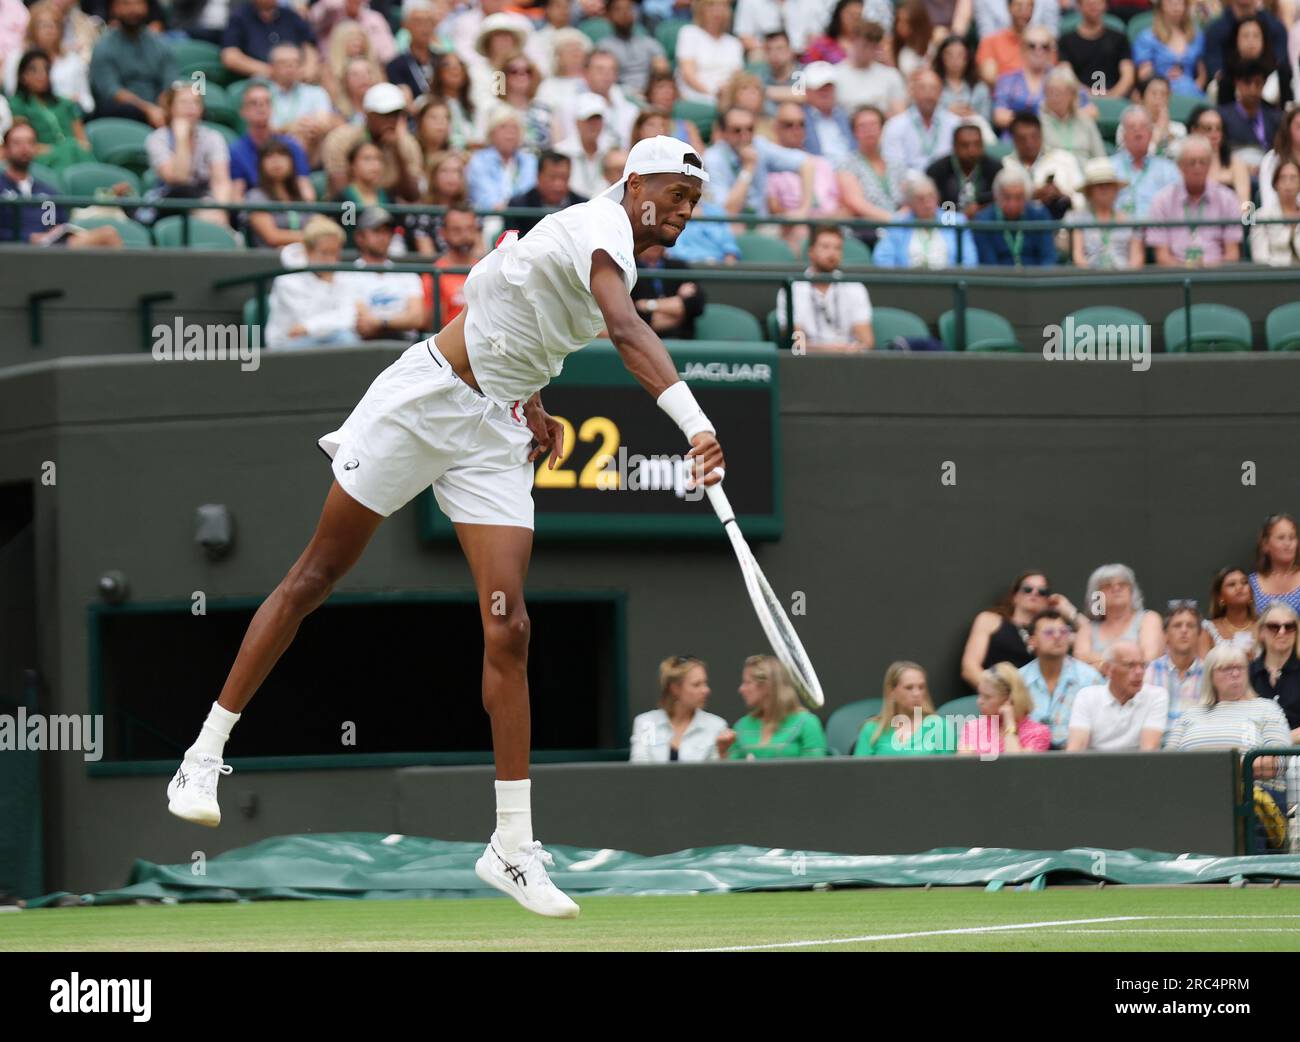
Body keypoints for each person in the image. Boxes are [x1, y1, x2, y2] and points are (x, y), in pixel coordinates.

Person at [165, 136, 723, 920]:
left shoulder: (604, 254)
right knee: (314, 578)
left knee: (511, 628)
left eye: (695, 201)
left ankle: (511, 847)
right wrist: (695, 424)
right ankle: (202, 756)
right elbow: (628, 335)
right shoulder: (594, 233)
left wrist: (533, 404)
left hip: (496, 435)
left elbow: (515, 306)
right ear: (633, 185)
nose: (684, 211)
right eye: (674, 193)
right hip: (425, 403)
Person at [1167, 646, 1292, 815]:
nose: (1235, 674)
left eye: (1240, 667)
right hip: (1191, 801)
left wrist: (1213, 771)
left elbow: (1277, 763)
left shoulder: (1266, 708)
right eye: (1226, 668)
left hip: (1252, 802)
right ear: (1211, 676)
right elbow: (1166, 764)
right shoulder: (1190, 714)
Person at [0, 119, 122, 247]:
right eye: (17, 143)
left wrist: (54, 232)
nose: (24, 148)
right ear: (5, 149)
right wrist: (28, 237)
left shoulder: (47, 192)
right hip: (12, 252)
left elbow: (54, 224)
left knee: (108, 235)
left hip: (51, 251)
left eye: (30, 142)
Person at [962, 570, 1072, 690]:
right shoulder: (990, 620)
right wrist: (999, 694)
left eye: (1042, 591)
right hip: (996, 696)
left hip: (1036, 700)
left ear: (1047, 601)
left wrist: (1071, 612)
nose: (1034, 593)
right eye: (1027, 589)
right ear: (1015, 596)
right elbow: (969, 668)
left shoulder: (1054, 632)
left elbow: (1085, 642)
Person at [1146, 134, 1243, 266]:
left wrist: (1208, 271)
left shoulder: (1227, 199)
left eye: (1202, 162)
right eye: (1191, 163)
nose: (1197, 168)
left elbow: (1232, 255)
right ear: (1180, 166)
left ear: (1210, 165)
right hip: (1176, 277)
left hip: (1217, 276)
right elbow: (1162, 257)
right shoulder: (1162, 200)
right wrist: (1187, 271)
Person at [775, 224, 874, 352]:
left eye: (837, 248)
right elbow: (796, 343)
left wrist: (853, 349)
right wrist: (832, 350)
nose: (832, 253)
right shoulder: (793, 289)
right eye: (825, 247)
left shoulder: (855, 287)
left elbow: (866, 341)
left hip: (849, 363)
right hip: (806, 363)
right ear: (811, 251)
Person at [704, 105, 816, 218]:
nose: (745, 135)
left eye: (750, 129)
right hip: (729, 227)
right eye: (737, 130)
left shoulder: (759, 145)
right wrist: (748, 169)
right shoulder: (712, 158)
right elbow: (727, 211)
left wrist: (804, 209)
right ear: (723, 133)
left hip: (762, 224)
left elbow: (806, 163)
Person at [145, 84, 233, 227]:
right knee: (183, 191)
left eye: (196, 102)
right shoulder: (157, 139)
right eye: (184, 102)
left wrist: (220, 211)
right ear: (171, 108)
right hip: (169, 203)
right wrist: (181, 138)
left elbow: (221, 181)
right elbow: (179, 178)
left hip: (208, 202)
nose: (190, 107)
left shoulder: (213, 137)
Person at [264, 216, 357, 347]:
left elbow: (348, 318)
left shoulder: (342, 275)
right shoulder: (286, 281)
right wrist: (327, 285)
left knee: (348, 339)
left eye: (335, 254)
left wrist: (308, 327)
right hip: (286, 345)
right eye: (324, 253)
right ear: (307, 251)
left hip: (332, 338)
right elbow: (302, 323)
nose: (331, 261)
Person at [322, 82, 423, 201]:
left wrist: (397, 150)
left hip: (390, 212)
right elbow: (340, 195)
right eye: (384, 114)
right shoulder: (340, 139)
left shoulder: (408, 145)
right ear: (368, 115)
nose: (391, 120)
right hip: (348, 214)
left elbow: (412, 195)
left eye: (396, 114)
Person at [337, 206, 427, 338]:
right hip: (366, 345)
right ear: (359, 237)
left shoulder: (407, 274)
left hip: (405, 345)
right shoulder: (347, 275)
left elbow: (417, 318)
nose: (383, 237)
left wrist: (380, 322)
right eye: (376, 231)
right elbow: (362, 322)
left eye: (387, 232)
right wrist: (399, 321)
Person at [1019, 607, 1103, 749]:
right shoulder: (1018, 679)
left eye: (1064, 631)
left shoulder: (1090, 678)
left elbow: (1103, 727)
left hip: (1077, 760)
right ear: (1032, 641)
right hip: (1027, 760)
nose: (1058, 636)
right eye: (1049, 632)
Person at [716, 655, 826, 759]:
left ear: (767, 685)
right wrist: (723, 752)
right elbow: (729, 775)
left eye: (747, 683)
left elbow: (816, 773)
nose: (741, 689)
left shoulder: (807, 724)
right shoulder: (741, 726)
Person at [1066, 641, 1169, 751]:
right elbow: (1075, 750)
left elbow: (1149, 750)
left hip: (1140, 766)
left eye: (1143, 665)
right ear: (1108, 669)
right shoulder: (1087, 697)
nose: (1139, 672)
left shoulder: (1156, 696)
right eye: (1130, 665)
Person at [88, 0, 176, 125]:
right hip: (122, 112)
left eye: (138, 3)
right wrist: (148, 109)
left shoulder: (161, 44)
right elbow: (111, 91)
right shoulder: (103, 47)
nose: (133, 9)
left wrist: (164, 107)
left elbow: (170, 82)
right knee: (124, 110)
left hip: (159, 108)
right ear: (114, 8)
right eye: (126, 4)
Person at [7, 49, 93, 171]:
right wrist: (60, 149)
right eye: (34, 70)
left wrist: (74, 147)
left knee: (77, 151)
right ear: (23, 76)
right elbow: (25, 142)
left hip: (74, 152)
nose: (42, 75)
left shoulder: (64, 102)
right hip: (44, 156)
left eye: (46, 70)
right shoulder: (18, 104)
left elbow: (82, 140)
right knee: (68, 152)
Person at [630, 656, 729, 761]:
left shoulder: (716, 726)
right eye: (697, 685)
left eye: (705, 683)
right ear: (675, 689)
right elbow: (639, 769)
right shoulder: (647, 724)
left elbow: (717, 774)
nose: (706, 690)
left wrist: (722, 752)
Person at [1073, 564, 1167, 671]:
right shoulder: (1088, 628)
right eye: (1107, 585)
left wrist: (1100, 663)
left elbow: (1148, 660)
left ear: (1132, 591)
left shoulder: (1149, 619)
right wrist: (1128, 660)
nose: (1116, 588)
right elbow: (1079, 666)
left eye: (1122, 584)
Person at [872, 172, 978, 267]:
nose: (928, 203)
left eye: (931, 196)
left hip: (948, 284)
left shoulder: (956, 221)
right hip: (908, 284)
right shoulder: (899, 224)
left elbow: (970, 260)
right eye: (920, 199)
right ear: (910, 203)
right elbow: (882, 259)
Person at [229, 81, 313, 199]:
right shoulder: (236, 150)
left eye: (266, 102)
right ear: (243, 111)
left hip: (292, 205)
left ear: (273, 109)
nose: (261, 107)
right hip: (256, 208)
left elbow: (305, 188)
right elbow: (237, 194)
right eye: (254, 103)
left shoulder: (291, 145)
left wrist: (305, 215)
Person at [4, 2, 93, 113]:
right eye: (43, 25)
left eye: (54, 24)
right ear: (32, 29)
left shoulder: (74, 61)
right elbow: (12, 94)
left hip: (70, 117)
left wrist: (76, 102)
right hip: (31, 116)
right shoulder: (17, 58)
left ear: (61, 29)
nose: (49, 30)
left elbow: (88, 102)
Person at [853, 660, 955, 756]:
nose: (917, 693)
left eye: (921, 687)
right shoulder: (871, 730)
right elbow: (857, 772)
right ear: (892, 692)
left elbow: (949, 771)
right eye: (909, 688)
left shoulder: (941, 727)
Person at [837, 104, 906, 237]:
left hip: (899, 228)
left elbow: (908, 197)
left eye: (873, 125)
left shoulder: (896, 163)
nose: (869, 130)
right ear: (854, 132)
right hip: (865, 231)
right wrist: (893, 220)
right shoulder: (846, 164)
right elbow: (855, 202)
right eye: (863, 126)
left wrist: (903, 217)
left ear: (882, 128)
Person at [267, 44, 339, 168]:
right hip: (271, 148)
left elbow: (324, 121)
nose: (290, 67)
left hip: (312, 145)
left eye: (295, 62)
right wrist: (289, 128)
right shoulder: (262, 93)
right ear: (272, 67)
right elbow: (263, 129)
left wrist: (307, 126)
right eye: (284, 63)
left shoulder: (316, 92)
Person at [958, 662, 1052, 756]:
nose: (979, 701)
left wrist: (1009, 724)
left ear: (1009, 699)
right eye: (980, 695)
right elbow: (963, 766)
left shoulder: (1038, 733)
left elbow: (1016, 765)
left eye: (987, 697)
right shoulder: (973, 727)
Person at [1001, 110, 1082, 219]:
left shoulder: (1064, 159)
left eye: (1034, 136)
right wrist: (1031, 196)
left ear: (1041, 135)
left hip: (1063, 227)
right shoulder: (1005, 166)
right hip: (1020, 229)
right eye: (1022, 138)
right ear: (1014, 140)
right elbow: (1000, 205)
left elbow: (1083, 200)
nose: (1029, 142)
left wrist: (1062, 195)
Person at [1067, 157, 1144, 268]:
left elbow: (1137, 259)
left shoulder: (1131, 221)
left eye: (1108, 185)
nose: (1104, 189)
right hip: (1090, 278)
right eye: (1099, 185)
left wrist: (1126, 279)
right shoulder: (1078, 220)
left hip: (1124, 278)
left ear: (1116, 190)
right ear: (1089, 191)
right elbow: (1078, 257)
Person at [971, 166, 1056, 266]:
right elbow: (989, 263)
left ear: (1026, 197)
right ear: (997, 197)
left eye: (1019, 198)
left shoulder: (1040, 215)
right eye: (1007, 197)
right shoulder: (983, 221)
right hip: (999, 279)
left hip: (1036, 278)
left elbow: (1048, 258)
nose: (1013, 204)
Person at [882, 68, 961, 172]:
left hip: (946, 182)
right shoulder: (895, 125)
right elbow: (895, 166)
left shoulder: (955, 124)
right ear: (912, 92)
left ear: (941, 92)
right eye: (922, 88)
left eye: (933, 88)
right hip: (909, 184)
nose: (928, 94)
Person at [221, 0, 316, 83]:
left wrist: (309, 67)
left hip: (297, 79)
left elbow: (309, 46)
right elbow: (230, 57)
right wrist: (273, 71)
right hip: (258, 82)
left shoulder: (291, 16)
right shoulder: (239, 17)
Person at [1144, 603, 1206, 730]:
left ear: (1199, 634)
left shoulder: (1210, 673)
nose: (1184, 630)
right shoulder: (1149, 671)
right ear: (1165, 635)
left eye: (1190, 626)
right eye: (1177, 625)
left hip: (1197, 746)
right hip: (1158, 745)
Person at [1111, 106, 1181, 218]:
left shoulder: (1168, 169)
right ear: (1123, 135)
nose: (1138, 132)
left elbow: (1178, 205)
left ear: (1151, 134)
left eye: (1143, 127)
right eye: (1132, 127)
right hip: (1119, 231)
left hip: (1158, 230)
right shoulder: (1110, 167)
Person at [1059, 0, 1134, 99]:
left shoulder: (1119, 38)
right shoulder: (1066, 40)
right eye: (1089, 4)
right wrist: (1087, 95)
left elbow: (1128, 75)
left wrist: (1112, 96)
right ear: (1079, 6)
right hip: (1079, 100)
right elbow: (1066, 74)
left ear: (1105, 5)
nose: (1094, 7)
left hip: (1115, 98)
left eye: (1098, 3)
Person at [1132, 0, 1208, 98]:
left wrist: (1196, 86)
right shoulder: (1147, 37)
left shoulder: (1196, 35)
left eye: (1180, 2)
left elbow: (1202, 72)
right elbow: (1144, 74)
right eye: (1170, 1)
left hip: (1192, 90)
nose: (1176, 5)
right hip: (1159, 92)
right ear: (1161, 5)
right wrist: (1163, 79)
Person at [675, 0, 744, 104]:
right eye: (711, 6)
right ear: (701, 10)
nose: (717, 11)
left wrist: (727, 91)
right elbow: (688, 74)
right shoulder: (689, 33)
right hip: (696, 95)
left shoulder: (734, 42)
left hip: (728, 96)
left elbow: (737, 75)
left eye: (722, 7)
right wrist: (712, 92)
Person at [928, 120, 1001, 218]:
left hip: (985, 224)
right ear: (954, 146)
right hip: (948, 223)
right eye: (965, 145)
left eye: (977, 144)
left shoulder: (995, 169)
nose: (972, 151)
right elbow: (932, 205)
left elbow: (1001, 202)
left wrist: (981, 209)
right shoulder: (937, 171)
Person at [631, 243, 706, 338]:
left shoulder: (679, 267)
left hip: (682, 341)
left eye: (659, 241)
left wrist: (648, 305)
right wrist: (678, 310)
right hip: (642, 341)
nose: (654, 245)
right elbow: (632, 315)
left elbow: (697, 305)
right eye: (650, 240)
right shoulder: (629, 269)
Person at [427, 202, 483, 327]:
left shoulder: (487, 269)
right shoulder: (433, 272)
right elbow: (430, 323)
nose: (464, 235)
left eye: (470, 228)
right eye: (456, 230)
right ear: (443, 233)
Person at [244, 140, 310, 248]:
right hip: (271, 259)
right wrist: (311, 238)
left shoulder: (300, 195)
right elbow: (272, 236)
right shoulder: (255, 196)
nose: (276, 161)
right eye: (269, 156)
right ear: (260, 164)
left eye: (282, 155)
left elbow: (315, 224)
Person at [598, 0, 670, 96]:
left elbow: (663, 72)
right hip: (619, 95)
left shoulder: (649, 43)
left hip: (649, 94)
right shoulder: (604, 47)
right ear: (608, 16)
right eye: (618, 9)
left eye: (628, 9)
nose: (624, 13)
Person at [1250, 602, 1300, 739]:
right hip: (1255, 755)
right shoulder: (1246, 673)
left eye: (1289, 627)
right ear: (1261, 633)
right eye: (1274, 627)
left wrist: (1278, 742)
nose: (1282, 632)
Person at [836, 20, 907, 116]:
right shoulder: (835, 74)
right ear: (853, 41)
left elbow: (899, 114)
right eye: (864, 46)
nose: (868, 51)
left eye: (873, 47)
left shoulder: (891, 75)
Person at [509, 151, 586, 239]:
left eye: (564, 177)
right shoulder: (518, 207)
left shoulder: (582, 205)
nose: (558, 185)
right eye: (552, 177)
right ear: (538, 176)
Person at [1040, 66, 1106, 166]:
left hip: (1086, 176)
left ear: (1072, 94)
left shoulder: (1086, 121)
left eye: (1059, 93)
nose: (1055, 97)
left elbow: (1100, 158)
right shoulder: (1039, 124)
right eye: (1051, 92)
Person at [555, 93, 616, 198]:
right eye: (588, 120)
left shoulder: (611, 151)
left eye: (597, 120)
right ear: (578, 122)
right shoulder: (560, 152)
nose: (593, 125)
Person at [1218, 59, 1281, 158]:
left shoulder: (1276, 117)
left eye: (1258, 83)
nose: (1253, 89)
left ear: (1264, 84)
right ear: (1237, 83)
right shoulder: (1222, 116)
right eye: (1247, 83)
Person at [386, 0, 442, 104]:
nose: (425, 27)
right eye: (418, 22)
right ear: (405, 25)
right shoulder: (395, 66)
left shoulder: (442, 60)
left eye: (429, 22)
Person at [1116, 76, 1187, 159]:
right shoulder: (1128, 127)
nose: (1158, 98)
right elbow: (1136, 161)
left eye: (1163, 94)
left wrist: (1168, 133)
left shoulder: (1179, 129)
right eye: (1153, 93)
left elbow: (1178, 160)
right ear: (1142, 98)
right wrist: (1158, 134)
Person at [1199, 566, 1260, 655]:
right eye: (1232, 584)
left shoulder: (1265, 626)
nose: (1239, 587)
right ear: (1220, 597)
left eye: (1244, 582)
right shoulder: (1208, 629)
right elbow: (1203, 667)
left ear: (1251, 593)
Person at [801, 61, 854, 162]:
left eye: (829, 86)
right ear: (807, 91)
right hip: (817, 171)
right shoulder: (798, 119)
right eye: (819, 87)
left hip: (852, 171)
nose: (825, 91)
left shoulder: (846, 116)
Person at [1250, 512, 1300, 613]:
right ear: (1265, 545)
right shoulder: (1251, 585)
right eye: (1281, 538)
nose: (1288, 544)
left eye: (1292, 538)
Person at [934, 35, 991, 124]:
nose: (955, 60)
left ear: (968, 58)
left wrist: (972, 116)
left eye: (960, 55)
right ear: (941, 58)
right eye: (949, 55)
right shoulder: (933, 86)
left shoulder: (980, 88)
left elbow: (986, 120)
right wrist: (947, 113)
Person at [976, 0, 1033, 85]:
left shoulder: (1042, 44)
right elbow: (989, 77)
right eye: (1019, 5)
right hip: (1001, 95)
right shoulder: (991, 41)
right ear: (1009, 7)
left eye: (1029, 6)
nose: (1024, 10)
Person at [1258, 105, 1300, 211]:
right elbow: (1268, 200)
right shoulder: (1271, 160)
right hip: (1277, 222)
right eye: (1299, 127)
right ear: (1288, 130)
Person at [805, 0, 866, 65]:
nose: (855, 19)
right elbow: (809, 68)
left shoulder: (866, 46)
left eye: (858, 16)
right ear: (839, 15)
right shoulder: (822, 45)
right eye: (851, 15)